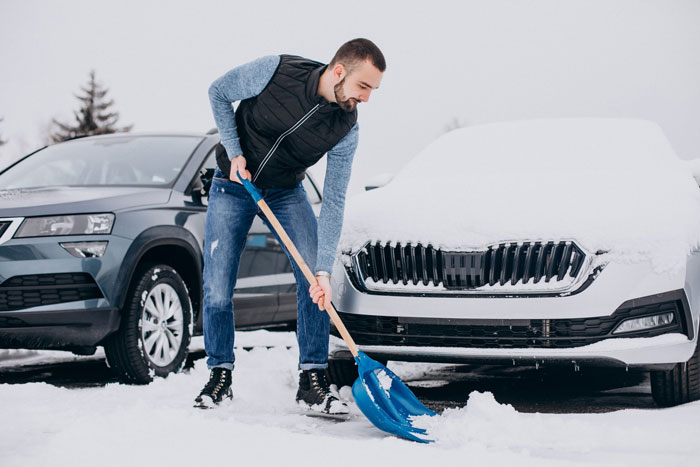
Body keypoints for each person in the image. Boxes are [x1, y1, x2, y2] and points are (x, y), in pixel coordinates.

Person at [194, 39, 385, 414]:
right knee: (217, 286)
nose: (366, 98)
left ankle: (312, 379)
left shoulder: (346, 128)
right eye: (364, 87)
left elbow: (333, 202)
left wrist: (324, 269)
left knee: (314, 282)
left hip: (285, 191)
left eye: (373, 90)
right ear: (339, 71)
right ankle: (219, 374)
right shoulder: (276, 70)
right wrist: (234, 152)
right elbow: (219, 92)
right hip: (233, 184)